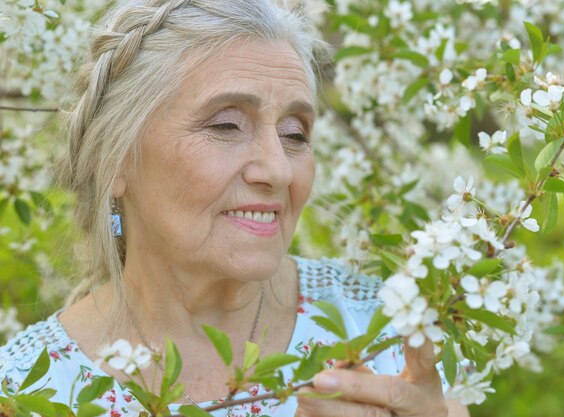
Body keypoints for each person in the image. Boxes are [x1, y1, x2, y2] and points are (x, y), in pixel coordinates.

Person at [0, 1, 470, 416]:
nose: (278, 170)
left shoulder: (388, 333)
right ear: (116, 160)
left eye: (294, 134)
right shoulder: (23, 392)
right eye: (226, 126)